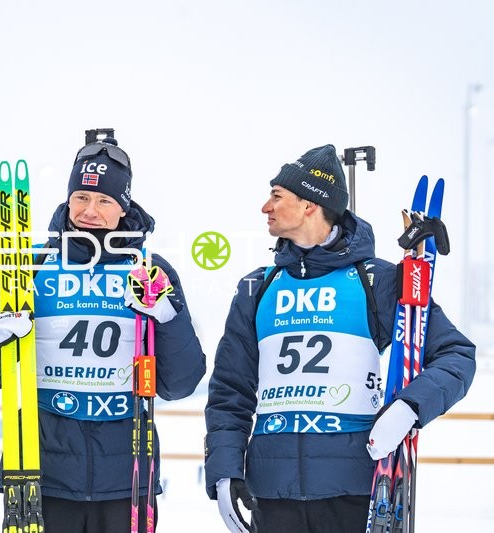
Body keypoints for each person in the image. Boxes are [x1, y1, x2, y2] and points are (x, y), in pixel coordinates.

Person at [203, 144, 476, 533]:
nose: (266, 207)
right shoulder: (258, 287)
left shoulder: (376, 281)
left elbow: (456, 355)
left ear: (310, 204)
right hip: (272, 495)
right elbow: (230, 390)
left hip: (355, 494)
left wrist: (408, 407)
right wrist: (225, 471)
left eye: (277, 196)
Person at [0, 136, 206, 532]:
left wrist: (167, 316)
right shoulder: (30, 266)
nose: (89, 211)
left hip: (125, 480)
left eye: (104, 200)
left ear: (123, 206)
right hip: (41, 473)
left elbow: (180, 384)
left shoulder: (149, 270)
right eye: (81, 197)